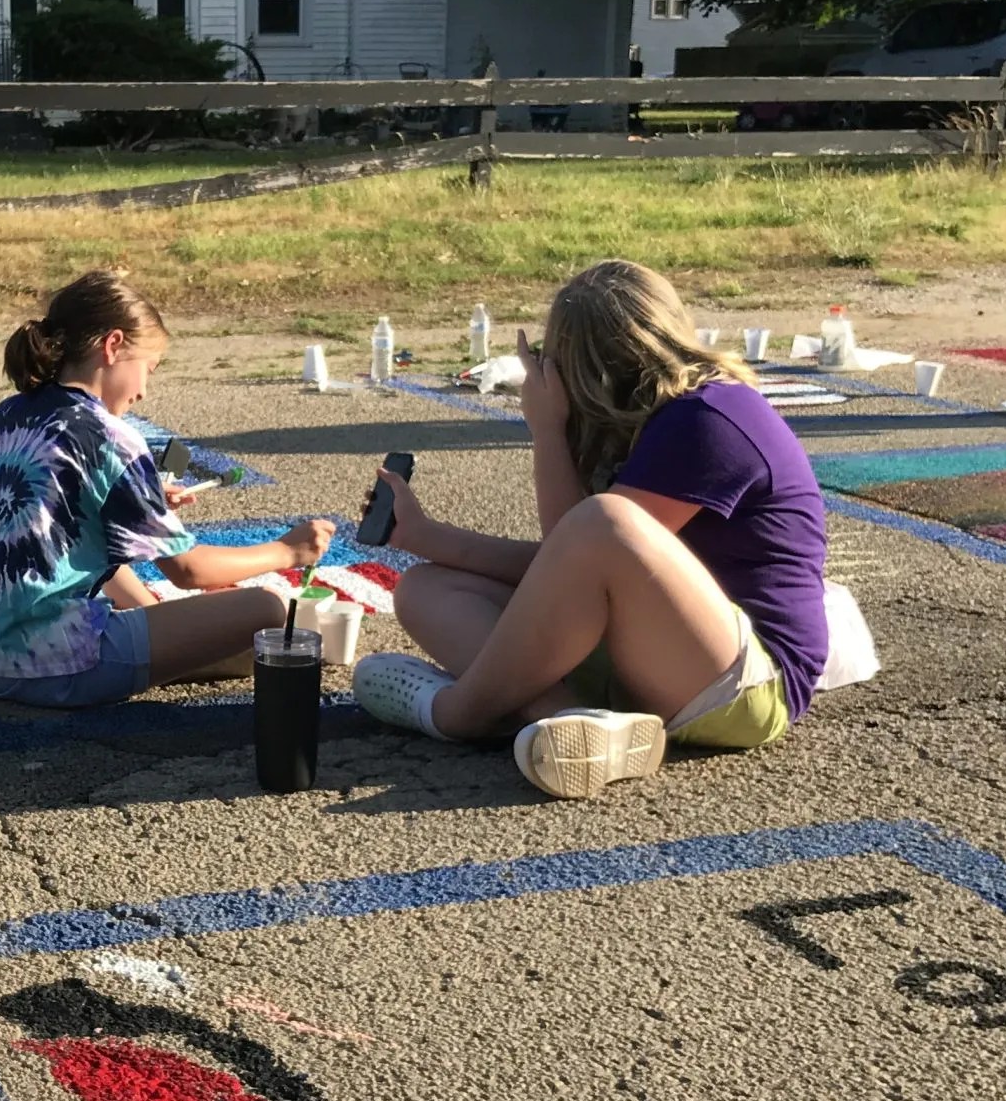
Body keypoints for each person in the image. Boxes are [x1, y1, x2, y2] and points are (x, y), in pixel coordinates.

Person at [351, 260, 827, 798]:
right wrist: (427, 539)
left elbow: (580, 547)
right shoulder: (659, 417)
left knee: (604, 521)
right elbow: (572, 568)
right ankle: (566, 723)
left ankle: (458, 714)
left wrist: (548, 430)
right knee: (427, 587)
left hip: (747, 685)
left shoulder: (709, 417)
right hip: (661, 660)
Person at [0, 271, 335, 706]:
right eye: (148, 369)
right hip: (53, 667)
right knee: (266, 610)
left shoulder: (10, 413)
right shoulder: (113, 436)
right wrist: (288, 551)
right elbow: (189, 572)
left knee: (102, 550)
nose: (145, 391)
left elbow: (50, 521)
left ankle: (155, 628)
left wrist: (135, 503)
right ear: (112, 346)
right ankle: (164, 649)